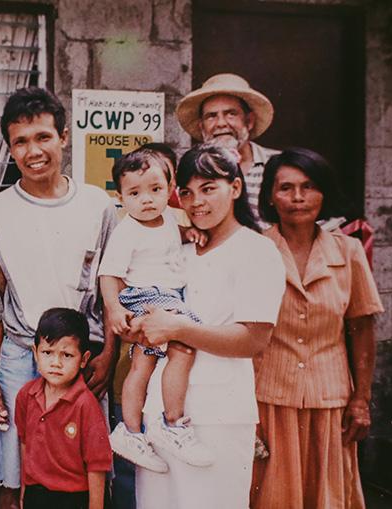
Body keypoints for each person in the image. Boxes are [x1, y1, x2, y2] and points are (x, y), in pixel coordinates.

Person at [0, 87, 118, 509]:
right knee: (14, 480)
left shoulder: (98, 206)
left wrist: (107, 352)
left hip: (85, 358)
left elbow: (112, 287)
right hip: (21, 359)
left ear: (64, 137)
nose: (33, 151)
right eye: (21, 142)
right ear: (9, 149)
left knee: (86, 477)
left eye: (43, 137)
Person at [131, 144, 286, 508]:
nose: (196, 201)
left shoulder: (256, 251)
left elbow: (253, 339)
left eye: (208, 188)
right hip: (161, 411)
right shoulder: (178, 251)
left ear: (234, 188)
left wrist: (176, 328)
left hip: (219, 414)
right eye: (186, 191)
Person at [250, 148, 383, 508]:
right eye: (286, 188)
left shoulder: (349, 251)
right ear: (270, 197)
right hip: (268, 400)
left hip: (332, 402)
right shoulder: (253, 250)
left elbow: (362, 328)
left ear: (323, 193)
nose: (297, 198)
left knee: (328, 496)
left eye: (308, 187)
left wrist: (362, 400)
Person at [99, 145, 213, 472]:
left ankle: (131, 431)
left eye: (155, 190)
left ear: (170, 190)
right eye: (135, 193)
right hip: (149, 296)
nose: (146, 199)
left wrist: (189, 232)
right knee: (184, 346)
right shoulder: (126, 231)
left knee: (144, 363)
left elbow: (171, 235)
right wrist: (115, 309)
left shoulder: (167, 221)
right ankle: (173, 423)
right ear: (120, 197)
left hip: (162, 294)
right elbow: (109, 274)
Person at [15, 308, 113, 509]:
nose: (56, 363)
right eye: (47, 353)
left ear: (84, 359)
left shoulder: (85, 405)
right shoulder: (26, 396)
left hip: (75, 498)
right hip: (38, 494)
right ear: (35, 353)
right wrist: (25, 494)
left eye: (67, 355)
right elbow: (25, 445)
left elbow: (97, 466)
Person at [176, 73, 278, 229]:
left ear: (249, 121)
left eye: (231, 114)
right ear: (201, 127)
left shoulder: (279, 165)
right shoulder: (186, 171)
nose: (221, 123)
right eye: (211, 116)